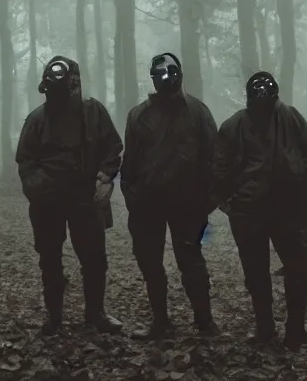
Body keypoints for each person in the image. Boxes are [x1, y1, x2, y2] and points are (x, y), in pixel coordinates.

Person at [214, 71, 307, 351]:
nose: (264, 102)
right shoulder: (233, 126)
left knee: (297, 270)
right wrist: (231, 206)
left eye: (268, 96)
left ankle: (296, 330)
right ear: (249, 98)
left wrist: (304, 194)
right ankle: (265, 328)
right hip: (249, 214)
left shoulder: (291, 118)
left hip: (289, 210)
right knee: (255, 272)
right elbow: (218, 171)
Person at [16, 56, 123, 337]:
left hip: (85, 199)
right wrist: (40, 189)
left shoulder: (94, 112)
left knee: (94, 258)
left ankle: (96, 313)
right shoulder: (37, 119)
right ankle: (54, 318)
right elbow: (25, 161)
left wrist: (105, 177)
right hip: (47, 203)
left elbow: (113, 147)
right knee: (50, 258)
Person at [120, 53, 219, 339]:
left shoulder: (198, 112)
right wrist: (133, 198)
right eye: (160, 74)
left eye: (170, 73)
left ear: (179, 75)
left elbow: (215, 158)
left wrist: (207, 201)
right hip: (147, 205)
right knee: (150, 264)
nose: (165, 79)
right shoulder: (139, 115)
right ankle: (160, 323)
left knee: (191, 262)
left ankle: (205, 322)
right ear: (152, 77)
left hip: (188, 205)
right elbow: (131, 162)